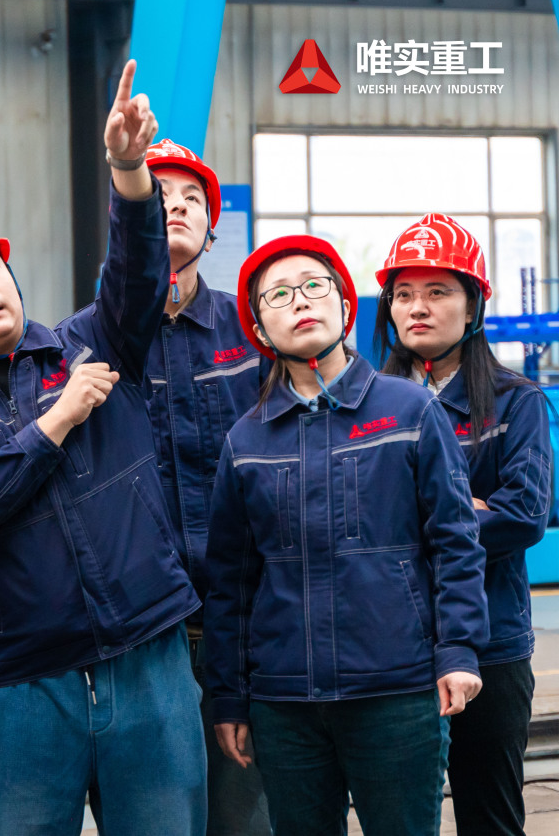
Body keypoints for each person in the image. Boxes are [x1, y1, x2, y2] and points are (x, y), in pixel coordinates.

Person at [0, 59, 206, 836]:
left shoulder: (94, 341)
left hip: (147, 657)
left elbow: (136, 274)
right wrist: (56, 421)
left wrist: (129, 170)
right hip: (26, 680)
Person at [205, 233, 489, 836]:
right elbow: (231, 583)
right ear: (259, 327)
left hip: (397, 690)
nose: (299, 300)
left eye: (314, 285)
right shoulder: (245, 441)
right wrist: (229, 696)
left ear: (344, 305)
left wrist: (458, 650)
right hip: (285, 704)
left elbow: (456, 542)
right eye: (278, 295)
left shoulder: (410, 411)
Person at [374, 213, 552, 836]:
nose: (417, 307)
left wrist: (411, 528)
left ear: (473, 305)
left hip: (490, 644)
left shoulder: (515, 401)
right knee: (398, 817)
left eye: (437, 291)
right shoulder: (363, 406)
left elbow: (523, 515)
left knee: (490, 817)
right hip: (392, 644)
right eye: (403, 294)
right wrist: (464, 512)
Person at [141, 139, 270, 836]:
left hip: (246, 621)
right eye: (159, 194)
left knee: (247, 815)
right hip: (148, 630)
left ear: (212, 232)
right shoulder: (90, 341)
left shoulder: (252, 332)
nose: (177, 206)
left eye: (192, 198)